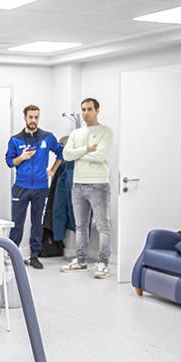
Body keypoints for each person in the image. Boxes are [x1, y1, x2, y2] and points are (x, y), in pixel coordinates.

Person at [60, 98, 114, 279]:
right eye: (83, 109)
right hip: (78, 184)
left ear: (97, 110)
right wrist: (86, 149)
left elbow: (100, 156)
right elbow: (66, 155)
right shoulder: (76, 133)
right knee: (80, 226)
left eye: (89, 109)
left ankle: (103, 264)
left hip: (98, 184)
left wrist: (79, 154)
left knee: (102, 226)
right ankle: (81, 260)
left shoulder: (106, 132)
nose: (85, 113)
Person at [4, 105, 63, 268]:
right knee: (17, 223)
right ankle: (12, 256)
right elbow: (10, 162)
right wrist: (22, 157)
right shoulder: (16, 139)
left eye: (36, 117)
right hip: (21, 187)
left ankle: (35, 255)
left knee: (37, 223)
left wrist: (52, 170)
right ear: (24, 118)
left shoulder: (47, 137)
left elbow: (61, 153)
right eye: (30, 117)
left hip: (40, 187)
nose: (33, 120)